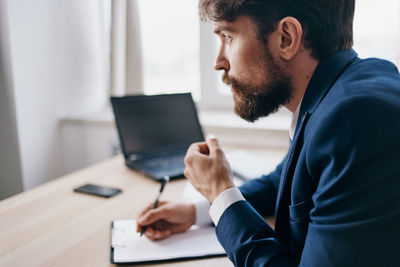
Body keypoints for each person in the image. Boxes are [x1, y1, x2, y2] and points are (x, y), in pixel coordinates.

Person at [136, 0, 400, 266]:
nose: (218, 62)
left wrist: (220, 192)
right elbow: (282, 181)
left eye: (228, 36)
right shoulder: (344, 89)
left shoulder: (354, 120)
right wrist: (200, 211)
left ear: (286, 38)